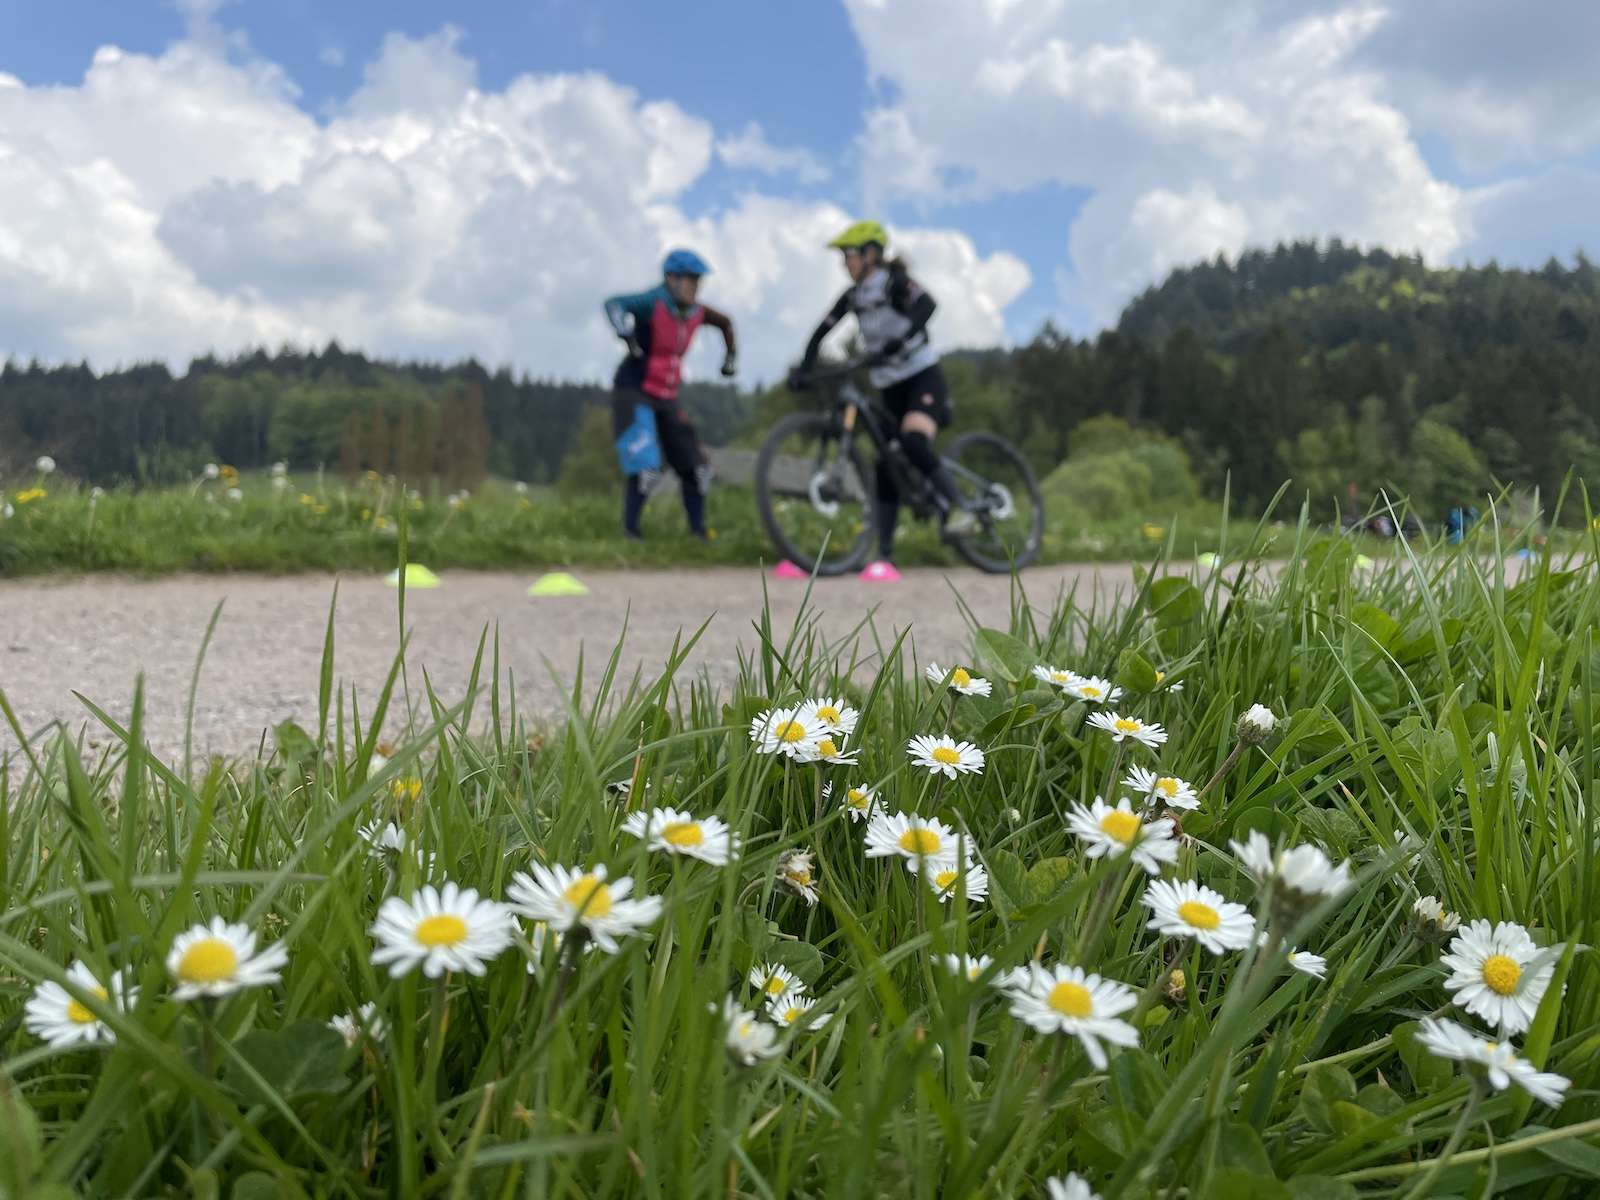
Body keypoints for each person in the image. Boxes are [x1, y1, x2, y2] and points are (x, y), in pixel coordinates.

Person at [788, 220, 970, 582]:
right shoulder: (853, 296)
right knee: (885, 461)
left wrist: (898, 341)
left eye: (849, 255)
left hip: (921, 375)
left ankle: (958, 508)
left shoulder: (894, 282)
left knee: (913, 439)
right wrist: (804, 369)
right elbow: (821, 332)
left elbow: (927, 307)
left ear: (871, 254)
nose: (845, 263)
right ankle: (884, 556)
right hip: (889, 386)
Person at [603, 250, 736, 540]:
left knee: (697, 468)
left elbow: (726, 323)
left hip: (667, 396)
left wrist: (730, 358)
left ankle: (698, 535)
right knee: (646, 467)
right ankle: (631, 532)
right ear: (671, 279)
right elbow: (613, 304)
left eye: (698, 281)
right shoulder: (653, 302)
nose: (695, 287)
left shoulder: (697, 312)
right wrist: (623, 331)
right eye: (689, 280)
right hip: (634, 390)